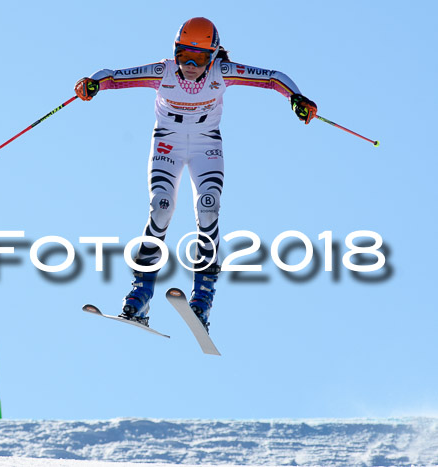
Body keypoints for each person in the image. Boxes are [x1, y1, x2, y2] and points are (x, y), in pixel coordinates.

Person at [74, 17, 317, 332]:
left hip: (206, 147)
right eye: (184, 55)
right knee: (161, 207)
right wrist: (91, 84)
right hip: (167, 144)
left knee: (208, 207)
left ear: (213, 56)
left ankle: (202, 297)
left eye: (200, 58)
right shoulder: (163, 72)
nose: (190, 64)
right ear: (175, 52)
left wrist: (296, 98)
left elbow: (272, 78)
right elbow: (115, 77)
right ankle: (142, 291)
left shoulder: (222, 73)